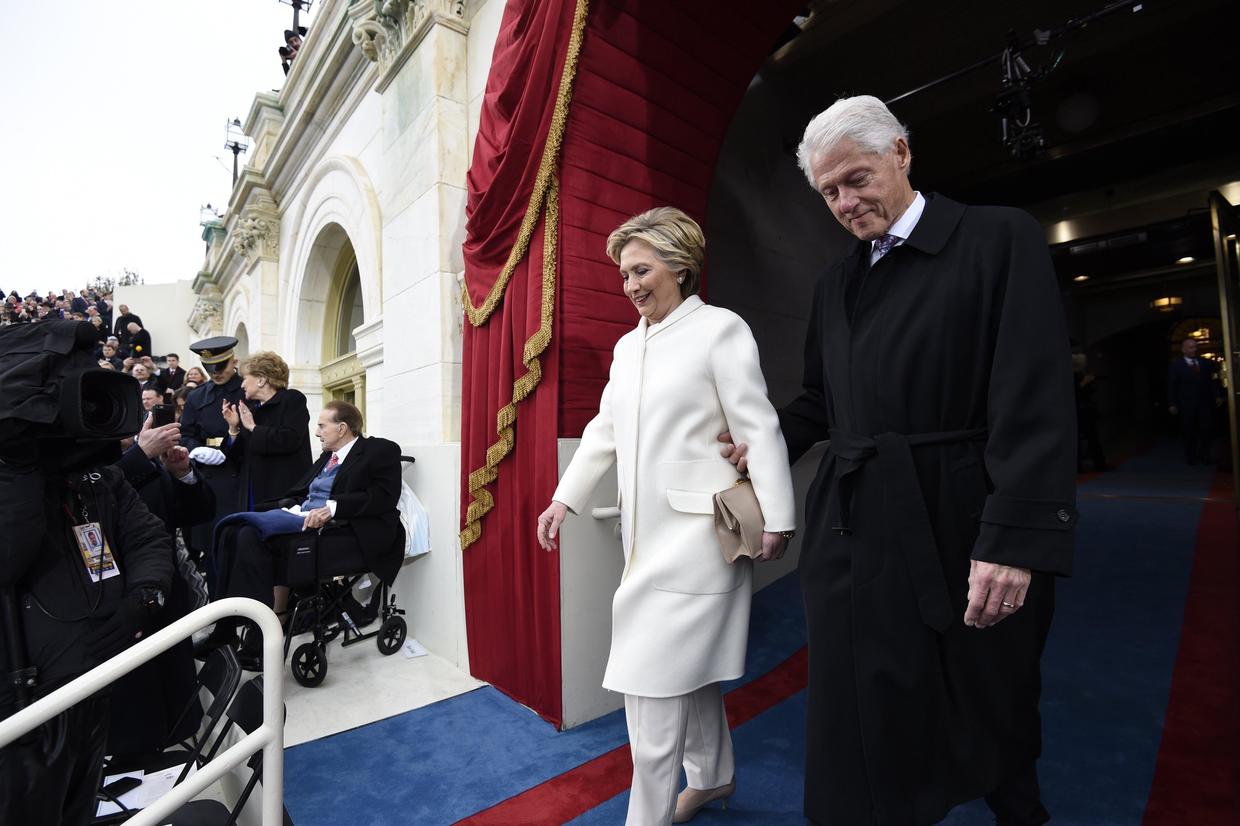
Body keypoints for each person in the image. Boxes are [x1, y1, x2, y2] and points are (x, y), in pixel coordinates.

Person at [722, 96, 1076, 826]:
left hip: (967, 517)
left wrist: (1011, 540)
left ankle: (1020, 812)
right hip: (854, 531)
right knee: (864, 705)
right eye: (830, 193)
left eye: (858, 179)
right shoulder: (834, 285)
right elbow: (821, 400)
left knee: (991, 691)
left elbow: (1033, 397)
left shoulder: (997, 239)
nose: (847, 203)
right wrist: (761, 446)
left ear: (902, 154)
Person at [536, 208, 796, 826]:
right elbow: (604, 428)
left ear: (680, 266)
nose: (629, 285)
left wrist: (779, 517)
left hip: (700, 540)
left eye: (641, 269)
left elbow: (758, 425)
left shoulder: (720, 330)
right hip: (643, 541)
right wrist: (564, 496)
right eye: (623, 274)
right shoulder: (628, 347)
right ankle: (712, 780)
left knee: (651, 686)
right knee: (692, 675)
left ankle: (645, 819)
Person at [210, 401, 405, 662]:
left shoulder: (380, 450)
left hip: (346, 534)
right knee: (233, 532)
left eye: (322, 426)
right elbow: (303, 493)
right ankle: (235, 624)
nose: (316, 432)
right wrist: (283, 507)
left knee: (248, 537)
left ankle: (262, 632)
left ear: (343, 428)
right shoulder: (327, 457)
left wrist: (333, 508)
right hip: (304, 522)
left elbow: (383, 497)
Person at [178, 337, 246, 586]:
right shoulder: (197, 397)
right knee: (213, 548)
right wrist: (195, 450)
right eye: (210, 368)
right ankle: (221, 614)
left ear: (233, 360)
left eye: (221, 366)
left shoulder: (246, 390)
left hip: (240, 472)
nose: (215, 373)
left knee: (240, 546)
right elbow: (186, 433)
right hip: (209, 477)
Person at [221, 351, 312, 511]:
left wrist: (253, 428)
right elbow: (235, 459)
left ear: (261, 379)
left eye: (245, 379)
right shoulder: (252, 410)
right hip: (251, 492)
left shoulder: (292, 400)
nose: (241, 385)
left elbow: (290, 440)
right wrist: (234, 427)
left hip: (281, 493)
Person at [1167, 337, 1224, 465]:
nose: (1194, 349)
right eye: (1191, 347)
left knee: (1207, 429)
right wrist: (1172, 403)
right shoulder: (1176, 365)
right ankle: (1191, 457)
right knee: (1189, 431)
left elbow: (1212, 381)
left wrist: (1217, 395)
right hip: (1186, 404)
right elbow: (1172, 385)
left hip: (1205, 403)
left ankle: (1205, 455)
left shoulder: (1205, 363)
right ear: (1183, 350)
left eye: (1195, 347)